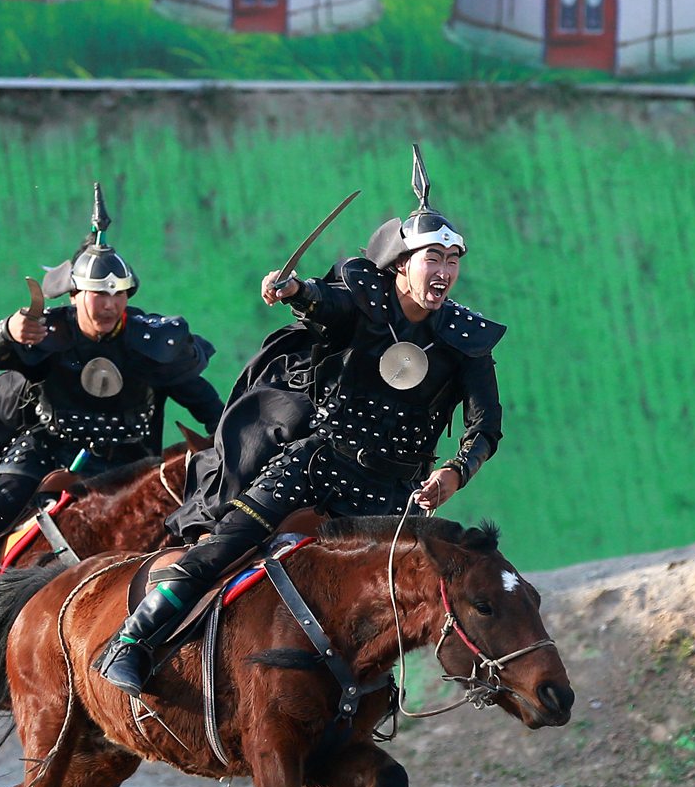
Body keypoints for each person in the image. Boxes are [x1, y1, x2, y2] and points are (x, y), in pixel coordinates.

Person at [97, 147, 505, 698]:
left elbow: (485, 427)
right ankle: (132, 641)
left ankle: (476, 681)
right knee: (224, 545)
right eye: (432, 259)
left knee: (412, 593)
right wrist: (295, 292)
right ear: (401, 265)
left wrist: (457, 471)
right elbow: (327, 303)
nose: (444, 272)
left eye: (452, 262)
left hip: (390, 493)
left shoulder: (467, 340)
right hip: (317, 466)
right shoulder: (364, 301)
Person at [0, 184, 225, 638]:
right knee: (0, 501)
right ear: (76, 294)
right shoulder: (47, 332)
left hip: (127, 462)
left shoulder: (151, 342)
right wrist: (8, 332)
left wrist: (229, 441)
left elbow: (204, 401)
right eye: (99, 293)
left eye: (119, 294)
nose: (110, 303)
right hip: (46, 451)